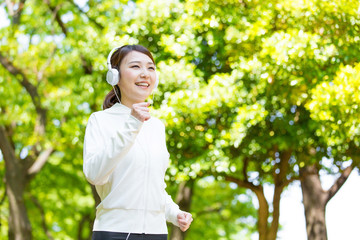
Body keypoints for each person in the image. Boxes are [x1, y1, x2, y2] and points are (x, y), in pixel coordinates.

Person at [83, 45, 193, 240]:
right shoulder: (100, 120)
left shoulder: (157, 126)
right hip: (114, 231)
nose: (145, 74)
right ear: (115, 76)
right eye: (135, 66)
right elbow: (95, 175)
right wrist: (132, 124)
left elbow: (154, 186)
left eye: (150, 68)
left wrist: (174, 213)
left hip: (156, 233)